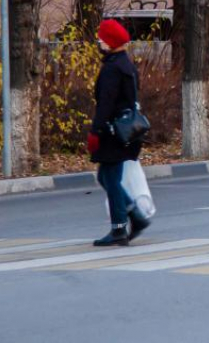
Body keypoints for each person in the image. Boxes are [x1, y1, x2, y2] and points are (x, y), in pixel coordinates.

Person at [87, 19, 150, 247]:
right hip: (125, 130)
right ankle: (135, 216)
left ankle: (119, 228)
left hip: (113, 131)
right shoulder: (126, 65)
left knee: (110, 178)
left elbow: (106, 103)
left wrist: (95, 131)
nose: (99, 42)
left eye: (102, 38)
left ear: (110, 42)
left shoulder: (112, 68)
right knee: (106, 176)